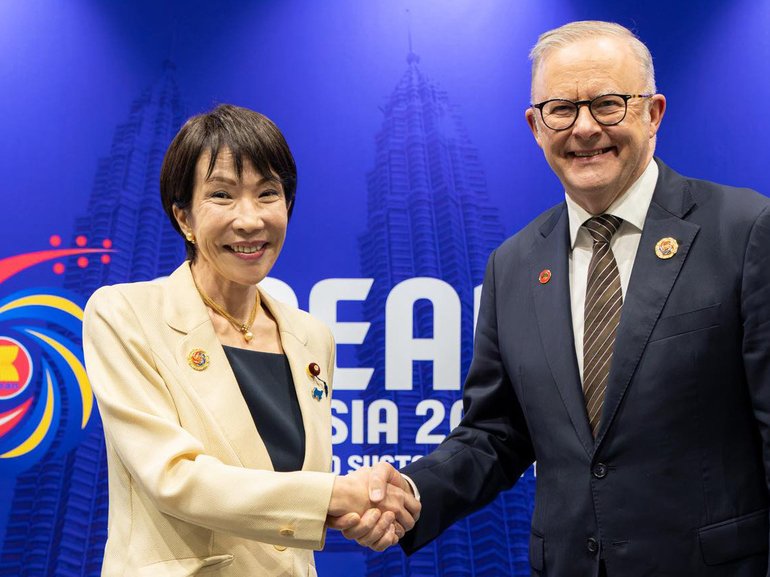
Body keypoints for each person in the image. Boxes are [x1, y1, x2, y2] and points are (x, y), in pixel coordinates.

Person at [342, 20, 770, 576]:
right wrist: (412, 493)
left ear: (653, 113)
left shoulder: (744, 230)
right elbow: (495, 433)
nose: (584, 128)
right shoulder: (513, 265)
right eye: (561, 110)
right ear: (535, 126)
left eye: (608, 104)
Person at [82, 104, 419, 576]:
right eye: (222, 195)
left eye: (267, 194)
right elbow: (174, 478)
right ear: (184, 217)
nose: (249, 219)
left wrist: (359, 514)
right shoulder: (126, 314)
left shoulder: (311, 338)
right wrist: (335, 495)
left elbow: (293, 498)